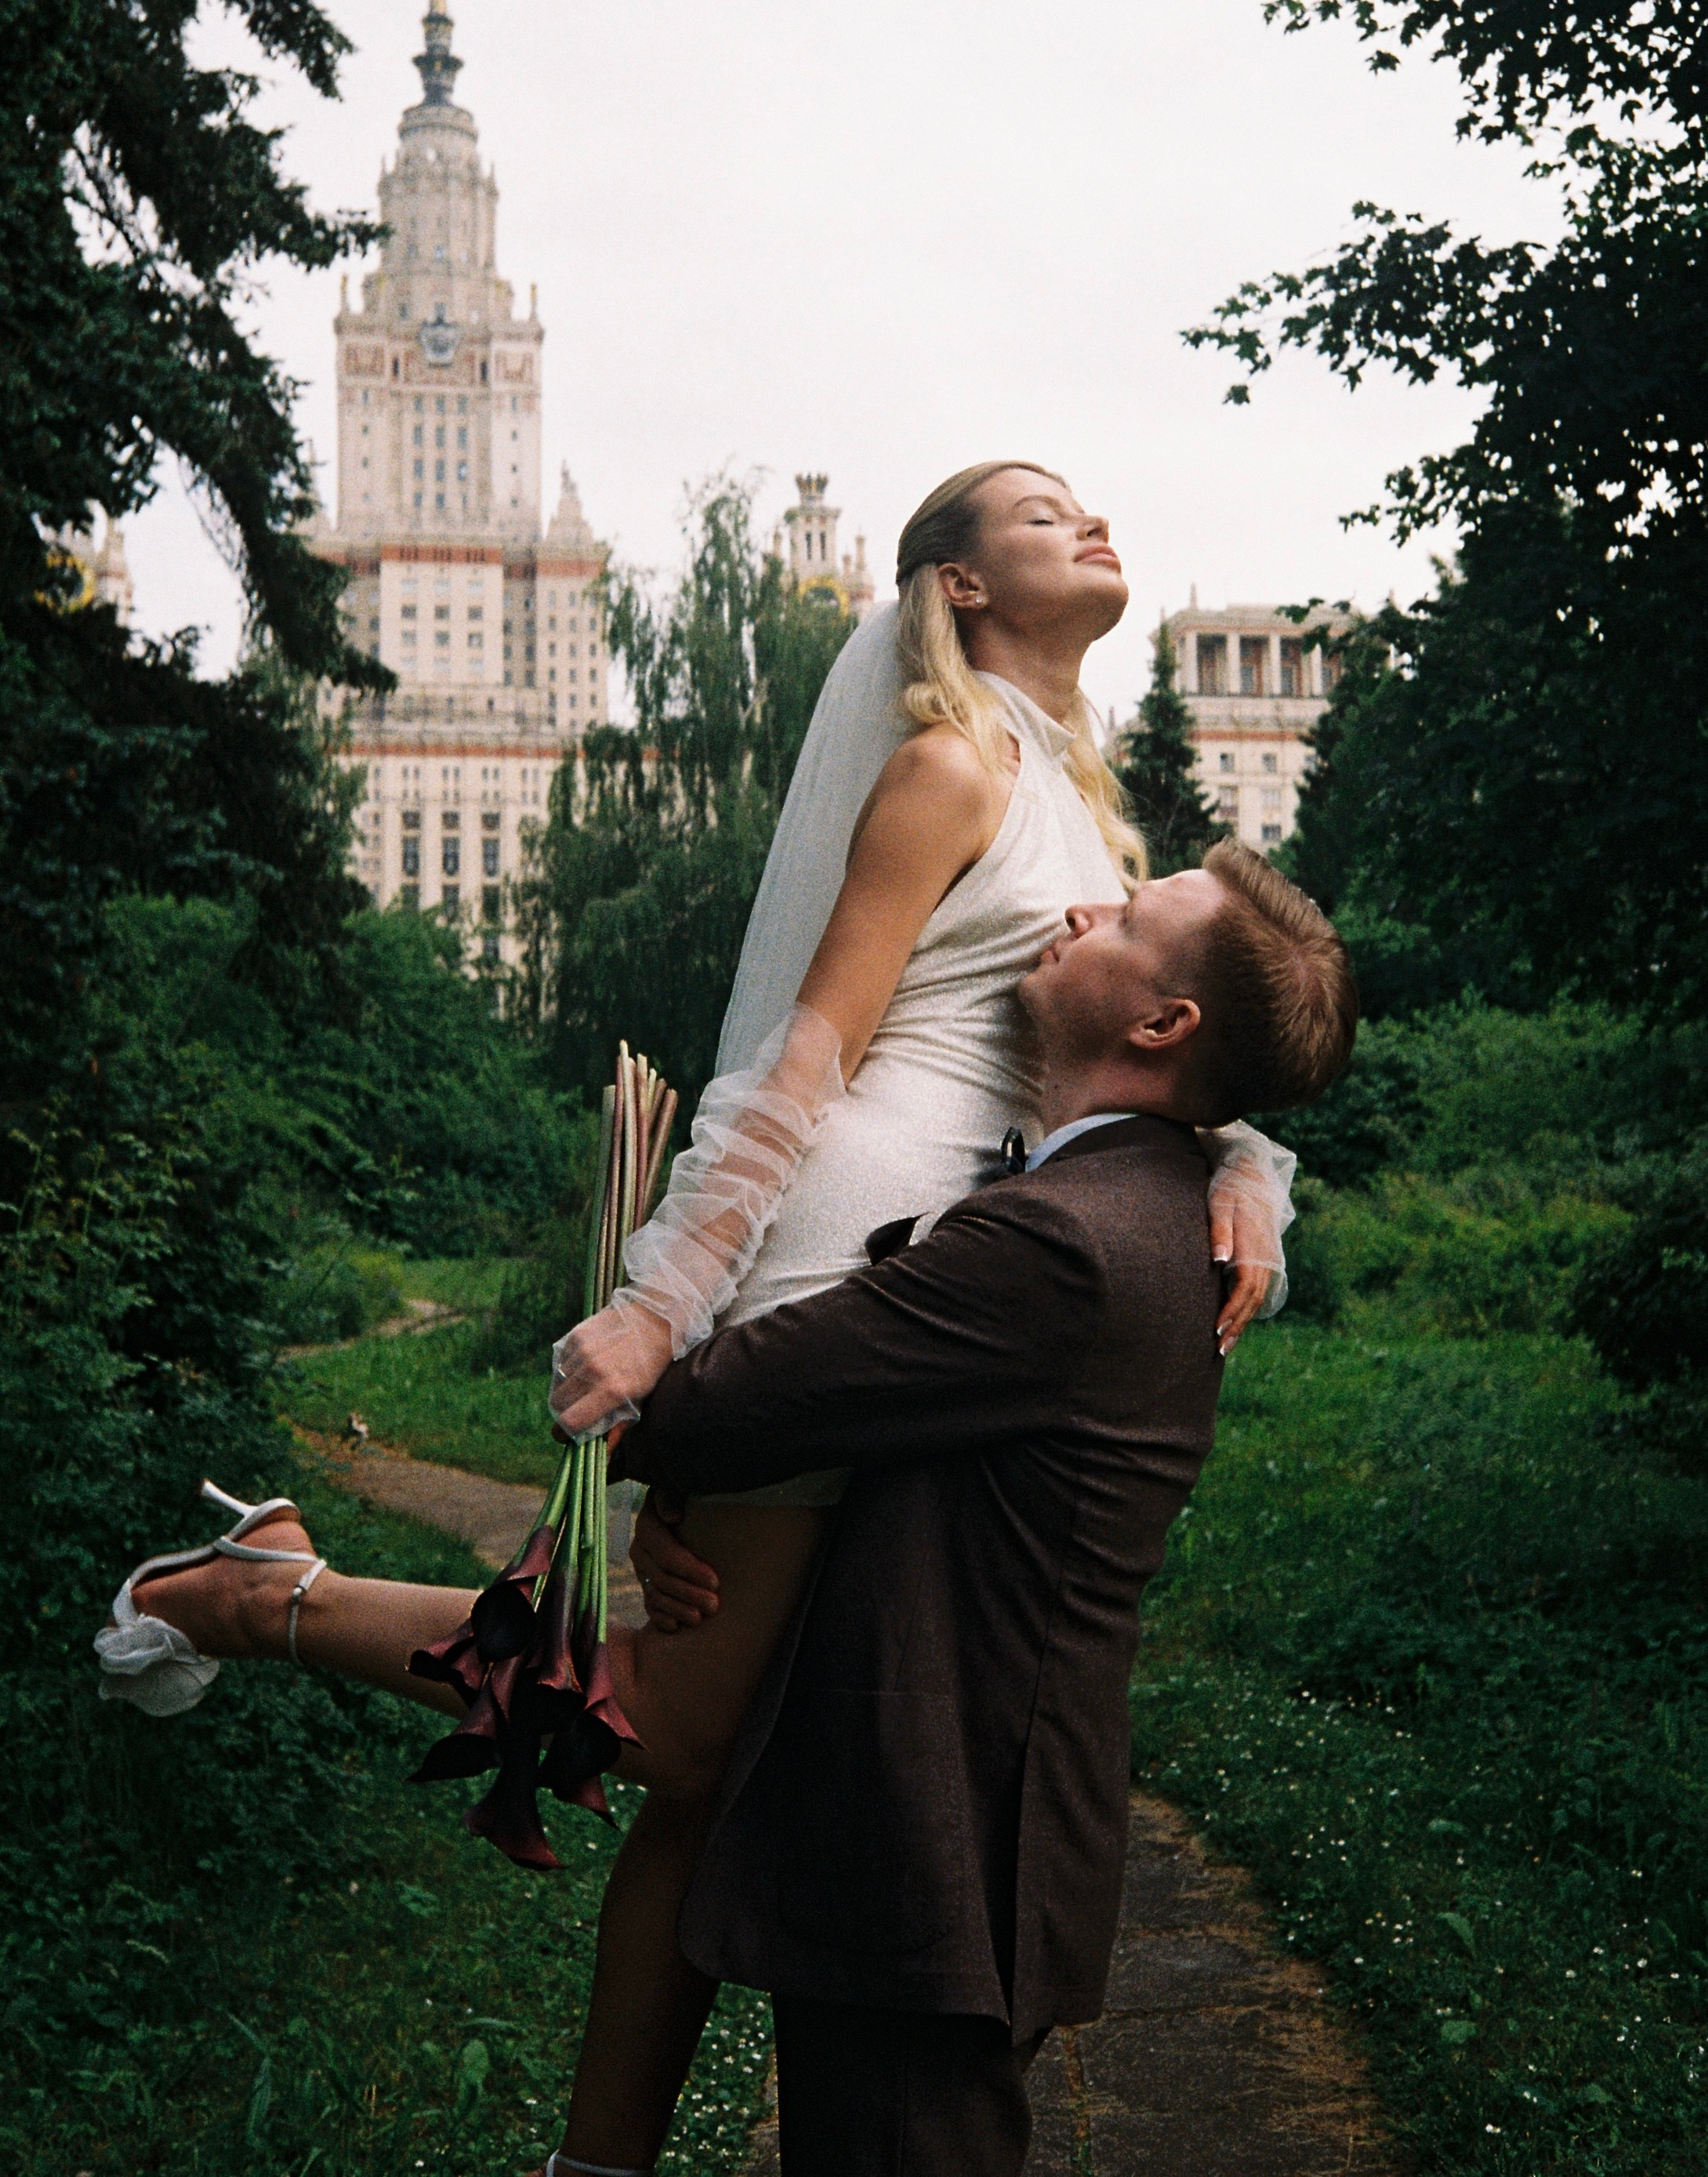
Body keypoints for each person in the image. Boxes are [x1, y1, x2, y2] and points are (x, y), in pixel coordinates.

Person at [96, 463, 1298, 2165]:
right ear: (955, 586)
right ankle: (261, 1592)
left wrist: (1249, 1169)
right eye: (1038, 512)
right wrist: (669, 1303)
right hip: (840, 1251)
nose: (1093, 520)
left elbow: (1154, 1033)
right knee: (680, 1721)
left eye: (1094, 501)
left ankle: (600, 2157)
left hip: (946, 1274)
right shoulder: (949, 763)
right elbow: (805, 1049)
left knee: (717, 1772)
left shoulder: (1085, 808)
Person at [594, 841, 1358, 2177]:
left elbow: (703, 1399)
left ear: (1161, 1022)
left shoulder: (1061, 1239)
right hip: (958, 1855)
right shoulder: (1141, 1200)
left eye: (1124, 915)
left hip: (934, 1857)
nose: (1077, 906)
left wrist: (661, 1379)